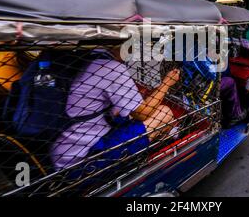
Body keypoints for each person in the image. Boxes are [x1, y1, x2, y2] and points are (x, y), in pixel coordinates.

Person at [51, 46, 180, 170]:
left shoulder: (90, 56)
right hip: (82, 161)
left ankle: (162, 138)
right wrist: (167, 82)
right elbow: (142, 113)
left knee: (125, 115)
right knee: (165, 113)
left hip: (61, 151)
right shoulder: (111, 67)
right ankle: (155, 150)